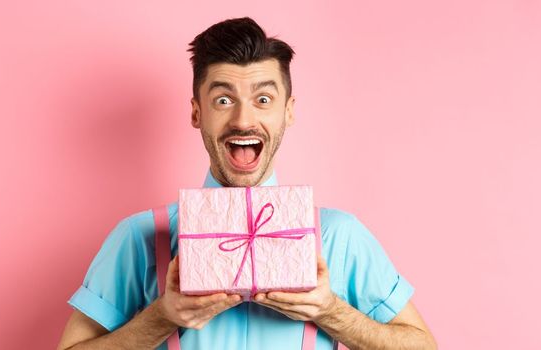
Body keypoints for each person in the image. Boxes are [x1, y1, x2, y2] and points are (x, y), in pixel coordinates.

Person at [56, 17, 436, 350]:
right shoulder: (138, 237)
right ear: (196, 112)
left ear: (288, 112)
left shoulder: (340, 236)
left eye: (263, 98)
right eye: (223, 100)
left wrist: (330, 310)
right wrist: (162, 316)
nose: (243, 120)